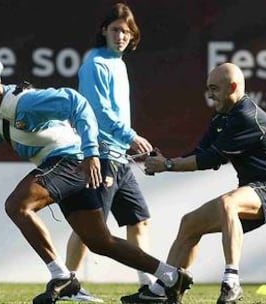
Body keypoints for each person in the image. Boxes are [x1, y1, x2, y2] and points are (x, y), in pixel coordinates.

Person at [0, 48, 194, 304]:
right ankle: (171, 276)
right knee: (99, 241)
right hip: (67, 165)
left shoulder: (25, 101)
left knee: (17, 205)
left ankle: (62, 276)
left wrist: (91, 153)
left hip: (73, 160)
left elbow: (77, 103)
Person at [120, 62, 266, 304]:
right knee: (190, 223)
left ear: (233, 87)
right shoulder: (222, 117)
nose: (210, 94)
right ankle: (166, 288)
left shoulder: (245, 116)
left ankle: (231, 282)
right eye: (208, 88)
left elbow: (210, 159)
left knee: (229, 203)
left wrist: (166, 166)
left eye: (214, 88)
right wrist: (164, 162)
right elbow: (200, 151)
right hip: (254, 188)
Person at [63, 3, 156, 302]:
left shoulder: (119, 63)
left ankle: (147, 286)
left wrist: (127, 143)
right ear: (104, 30)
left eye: (127, 32)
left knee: (138, 220)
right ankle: (67, 285)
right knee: (89, 226)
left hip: (120, 158)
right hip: (100, 156)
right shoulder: (94, 64)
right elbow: (99, 113)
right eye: (116, 30)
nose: (121, 36)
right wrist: (131, 136)